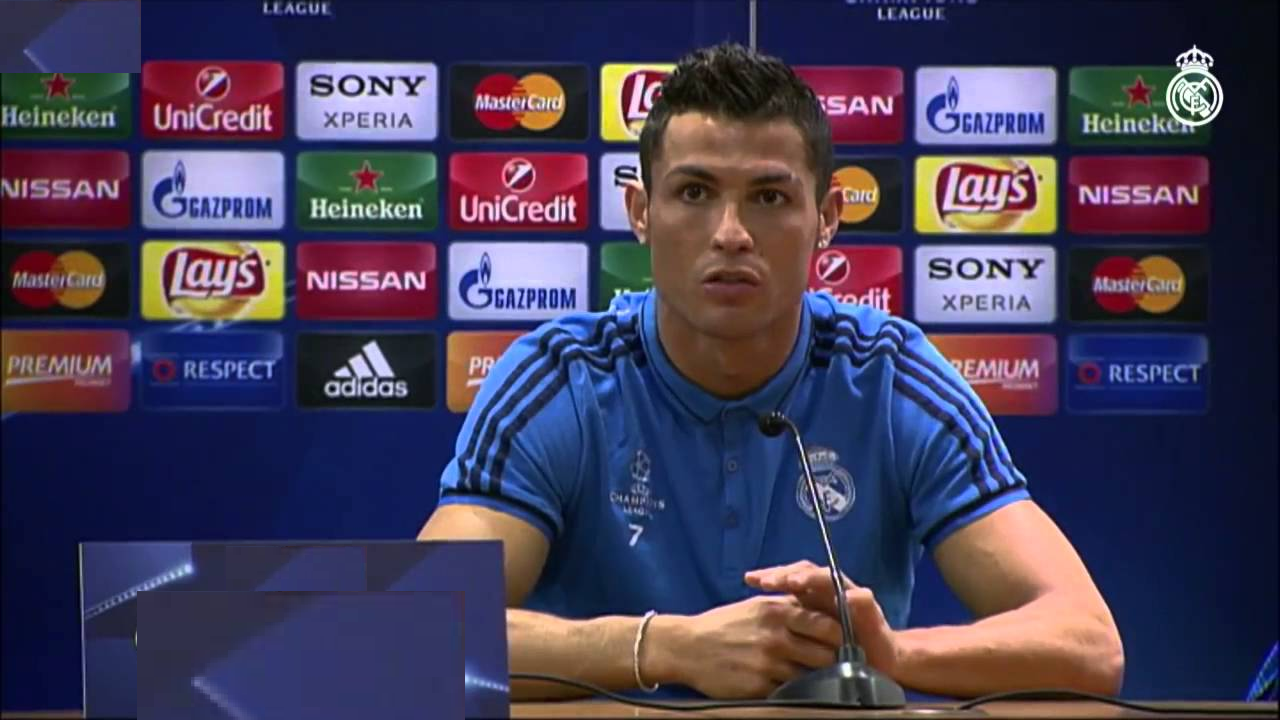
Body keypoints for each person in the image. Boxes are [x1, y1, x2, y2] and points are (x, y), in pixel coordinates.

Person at [419, 42, 1124, 701]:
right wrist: (663, 647)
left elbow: (1089, 642)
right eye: (694, 193)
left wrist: (885, 655)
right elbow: (408, 634)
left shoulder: (890, 376)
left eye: (769, 197)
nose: (731, 233)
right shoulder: (559, 378)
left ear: (828, 217)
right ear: (641, 212)